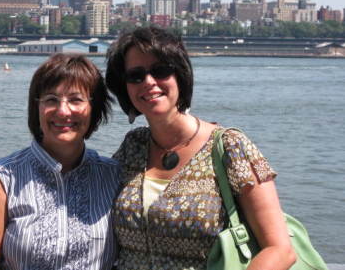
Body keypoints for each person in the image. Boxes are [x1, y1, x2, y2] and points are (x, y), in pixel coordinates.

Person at [105, 26, 296, 270]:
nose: (149, 82)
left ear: (180, 77)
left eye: (161, 71)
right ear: (126, 87)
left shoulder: (229, 146)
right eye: (136, 76)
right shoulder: (133, 146)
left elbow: (280, 249)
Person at [0, 54, 119, 270]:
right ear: (36, 107)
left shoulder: (113, 176)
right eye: (51, 100)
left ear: (93, 109)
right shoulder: (3, 178)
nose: (63, 111)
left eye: (76, 100)